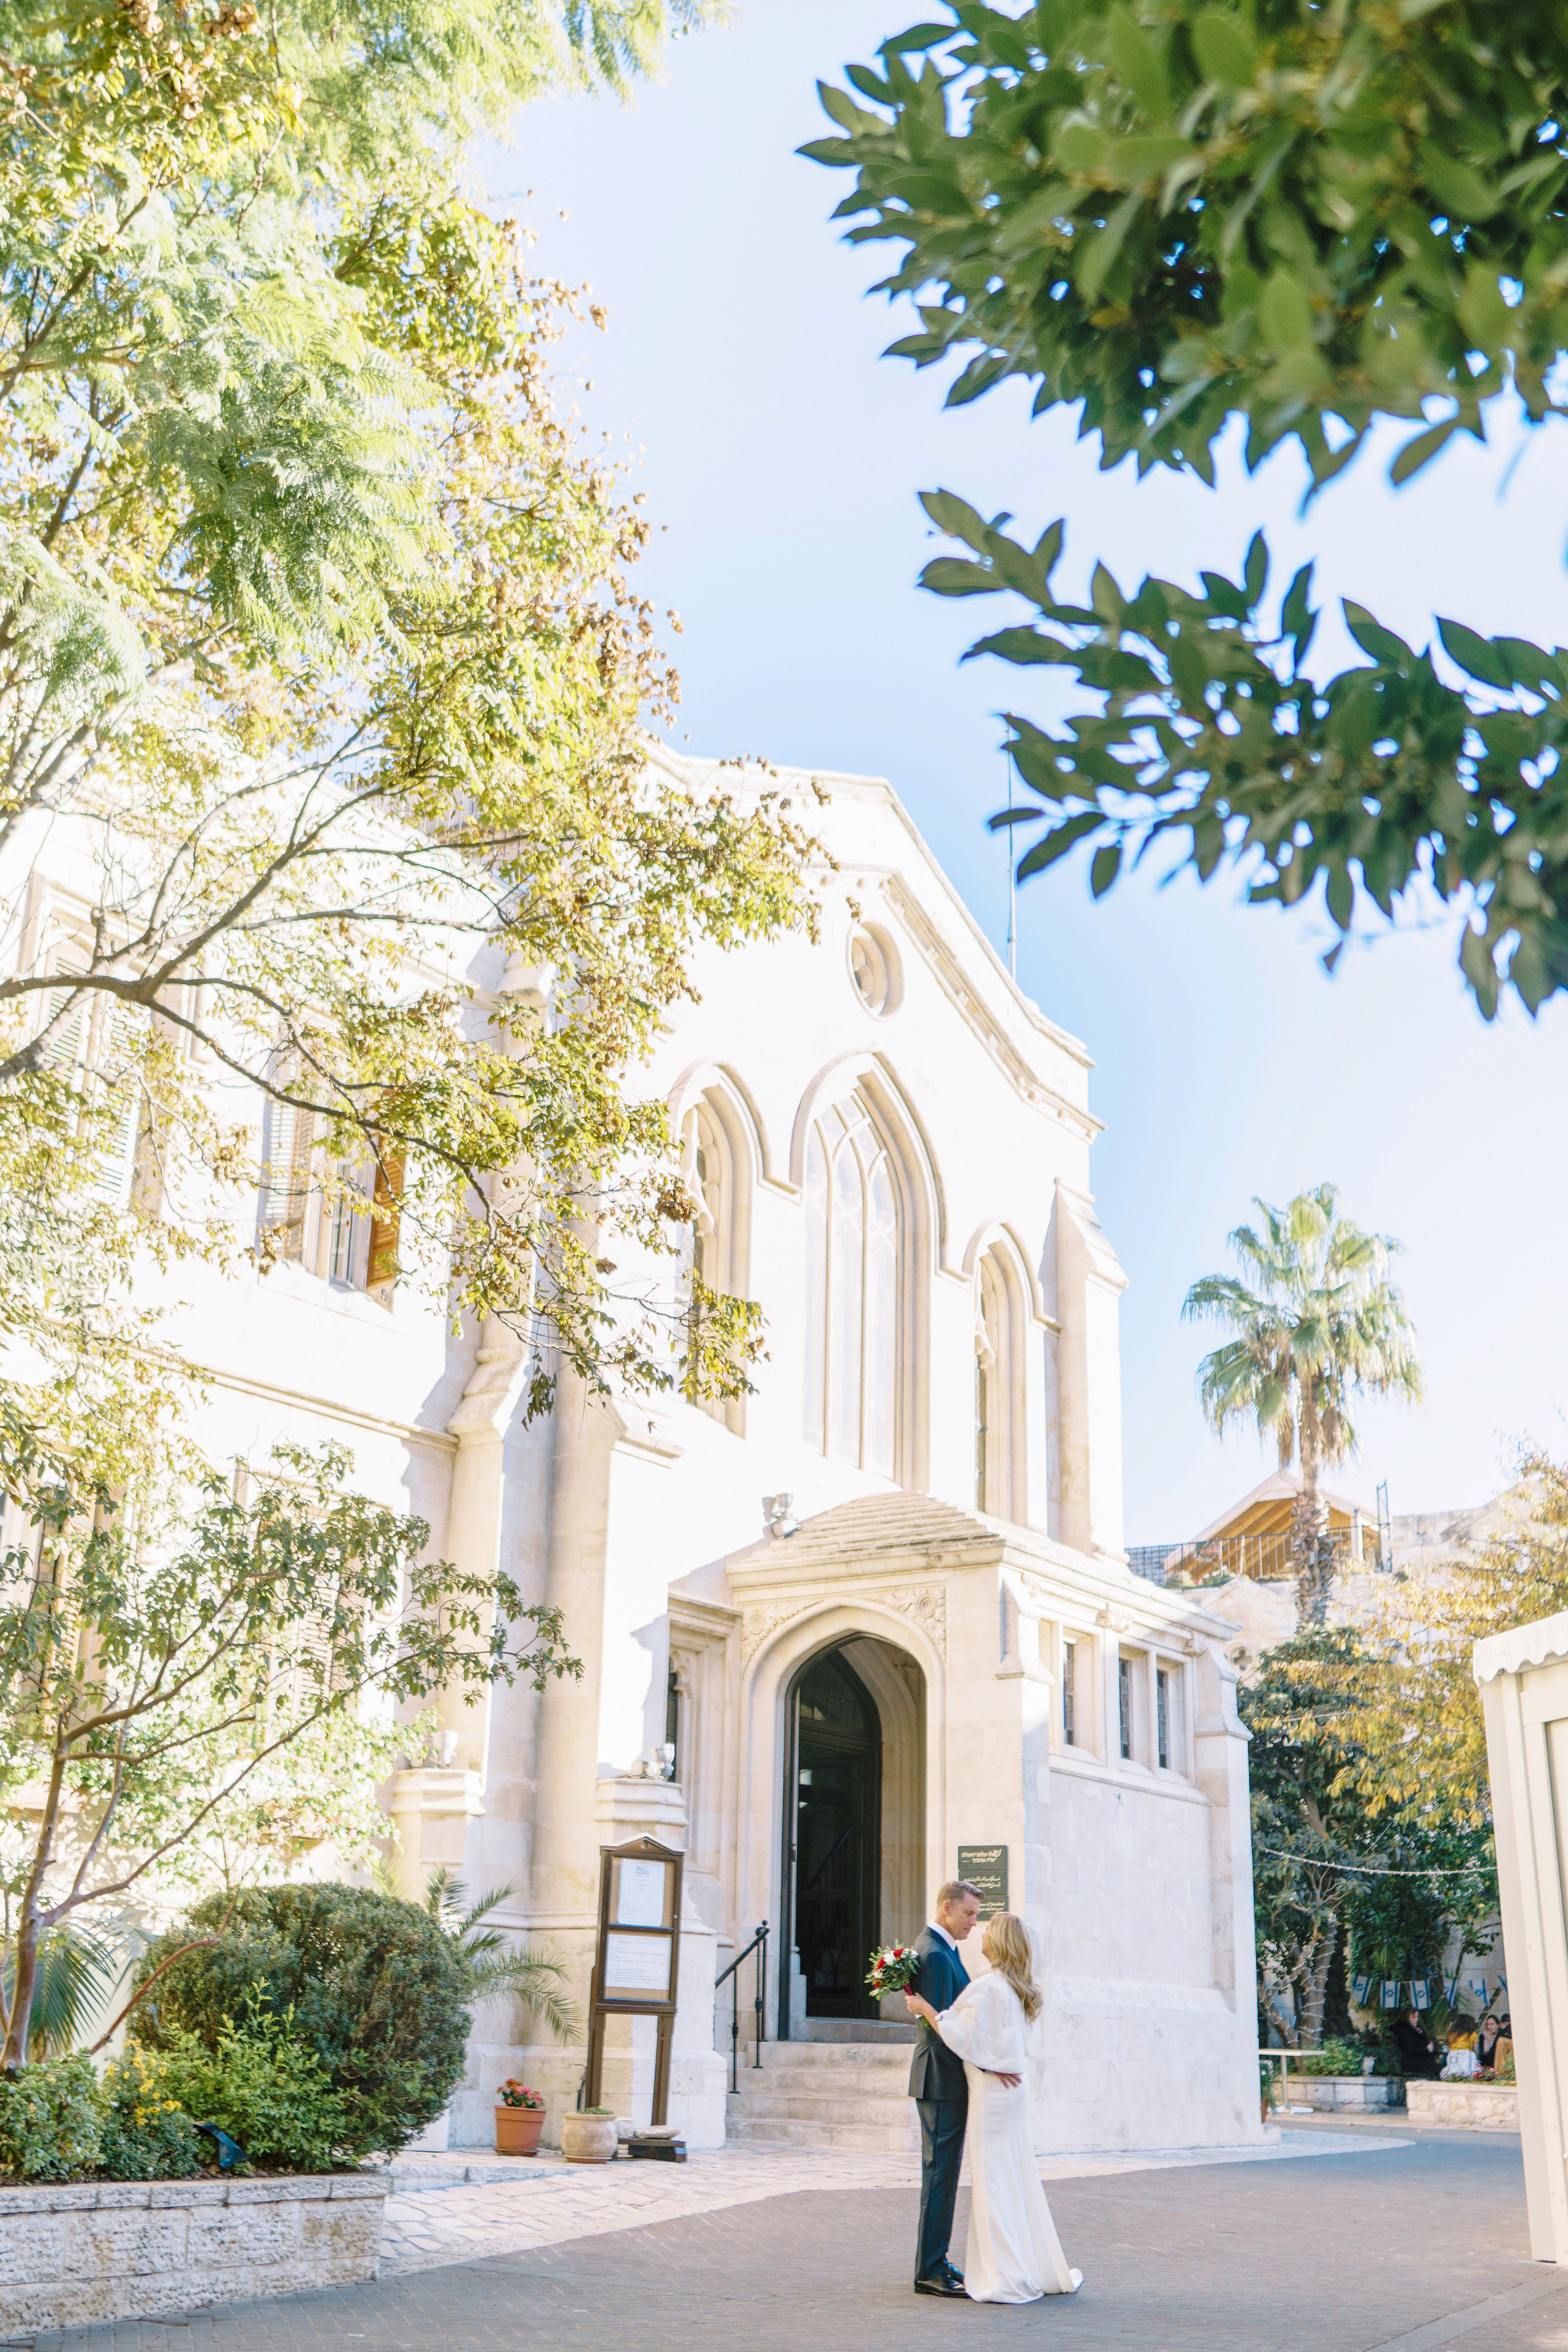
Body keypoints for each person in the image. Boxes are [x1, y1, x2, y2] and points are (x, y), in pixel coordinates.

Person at [907, 1910, 1083, 2305]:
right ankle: (1025, 2263)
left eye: (987, 1929)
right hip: (1011, 2093)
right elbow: (1001, 2042)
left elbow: (959, 2034)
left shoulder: (989, 1986)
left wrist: (924, 2009)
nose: (979, 1933)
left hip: (993, 2092)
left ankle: (1005, 2274)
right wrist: (997, 2062)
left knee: (995, 2180)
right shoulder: (1016, 1986)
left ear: (999, 1942)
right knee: (1015, 2175)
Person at [903, 1880, 982, 2297]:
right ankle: (929, 2270)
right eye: (969, 1913)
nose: (974, 1922)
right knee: (939, 2175)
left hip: (946, 2077)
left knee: (944, 2174)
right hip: (940, 2076)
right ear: (947, 1908)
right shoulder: (933, 1954)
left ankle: (937, 2260)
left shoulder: (943, 1948)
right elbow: (944, 2026)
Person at [1393, 2007, 1442, 2079]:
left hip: (1419, 2061)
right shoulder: (1406, 2032)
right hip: (1415, 2063)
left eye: (1417, 2017)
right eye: (1415, 2017)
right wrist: (1427, 2049)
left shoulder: (1413, 2030)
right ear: (1409, 2018)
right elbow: (1411, 2049)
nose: (1417, 2019)